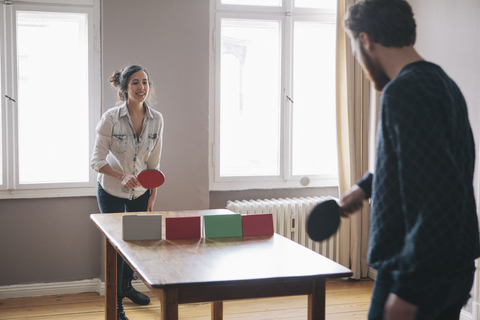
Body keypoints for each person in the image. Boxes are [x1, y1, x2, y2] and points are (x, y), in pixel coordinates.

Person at [339, 1, 480, 319]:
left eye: (355, 51)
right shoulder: (443, 84)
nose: (359, 62)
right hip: (456, 266)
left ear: (366, 40)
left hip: (416, 269)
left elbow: (438, 196)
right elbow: (432, 165)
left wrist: (409, 291)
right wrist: (364, 188)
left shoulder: (402, 92)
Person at [91, 65, 164, 320]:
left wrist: (152, 194)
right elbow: (96, 160)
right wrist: (121, 176)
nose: (141, 87)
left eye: (145, 82)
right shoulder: (110, 118)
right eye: (135, 82)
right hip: (110, 189)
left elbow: (153, 164)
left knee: (135, 244)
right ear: (124, 88)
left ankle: (126, 286)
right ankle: (116, 303)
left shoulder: (157, 119)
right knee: (117, 245)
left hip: (142, 192)